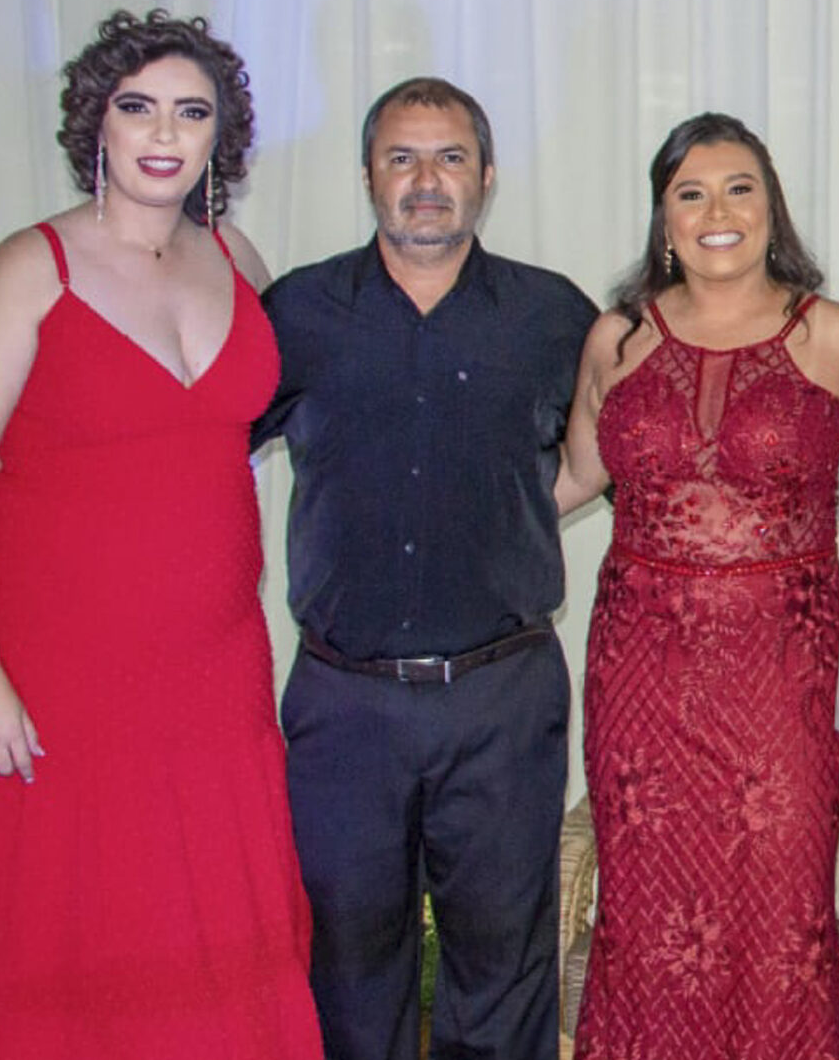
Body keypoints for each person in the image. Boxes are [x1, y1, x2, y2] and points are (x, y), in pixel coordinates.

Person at [0, 10, 322, 1058]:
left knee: (206, 925)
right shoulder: (28, 270)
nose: (165, 133)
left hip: (214, 666)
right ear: (98, 122)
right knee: (65, 925)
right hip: (61, 668)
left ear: (222, 133)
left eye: (192, 111)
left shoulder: (237, 258)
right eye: (139, 107)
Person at [254, 77, 597, 1060]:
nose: (426, 181)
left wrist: (504, 512)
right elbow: (201, 446)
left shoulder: (551, 315)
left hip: (501, 697)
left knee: (502, 961)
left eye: (449, 158)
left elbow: (611, 454)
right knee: (349, 959)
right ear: (368, 175)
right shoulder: (299, 311)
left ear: (486, 176)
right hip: (342, 703)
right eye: (401, 158)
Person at [554, 112, 839, 1058]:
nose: (717, 212)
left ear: (772, 206)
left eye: (740, 188)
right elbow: (572, 479)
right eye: (690, 194)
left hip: (785, 687)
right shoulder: (616, 338)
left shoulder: (836, 336)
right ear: (663, 218)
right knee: (645, 913)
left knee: (781, 911)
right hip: (640, 686)